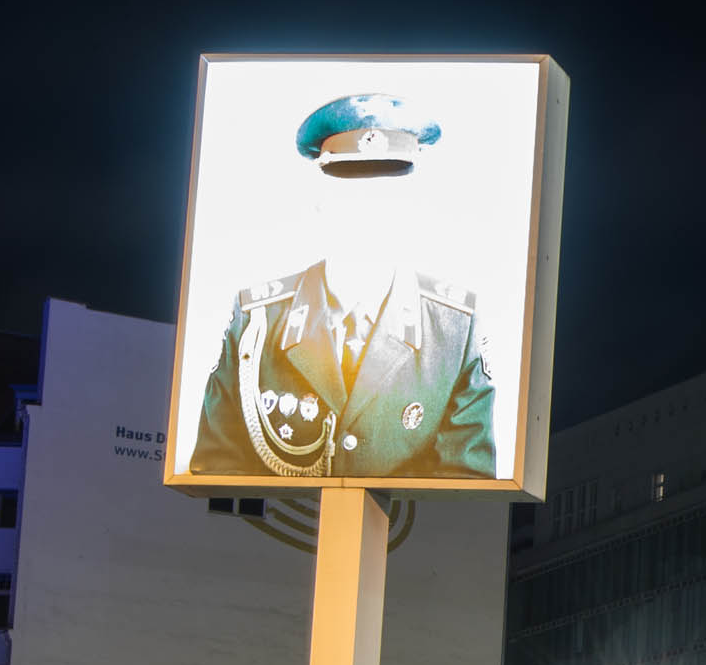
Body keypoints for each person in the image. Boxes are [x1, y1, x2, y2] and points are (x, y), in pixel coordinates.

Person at [187, 93, 495, 479]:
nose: (368, 214)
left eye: (386, 197)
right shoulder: (256, 321)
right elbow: (217, 472)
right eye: (351, 194)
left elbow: (466, 492)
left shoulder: (453, 330)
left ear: (411, 208)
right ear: (321, 203)